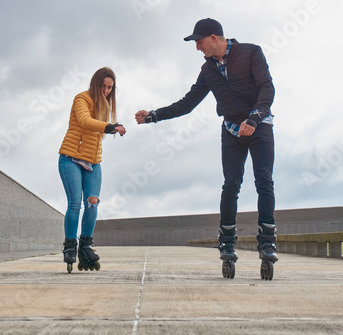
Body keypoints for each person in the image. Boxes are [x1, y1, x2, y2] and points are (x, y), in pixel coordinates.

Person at [135, 18, 278, 265]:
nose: (197, 48)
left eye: (199, 42)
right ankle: (227, 242)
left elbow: (267, 89)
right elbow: (188, 103)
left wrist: (254, 119)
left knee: (264, 181)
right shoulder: (208, 71)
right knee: (231, 185)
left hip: (259, 126)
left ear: (214, 38)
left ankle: (266, 242)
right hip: (232, 129)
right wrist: (154, 116)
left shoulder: (251, 53)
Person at [59, 67, 126, 272]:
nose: (106, 91)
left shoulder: (104, 106)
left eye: (110, 88)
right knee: (74, 205)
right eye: (104, 86)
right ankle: (70, 246)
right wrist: (110, 126)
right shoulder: (82, 99)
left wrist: (110, 125)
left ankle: (86, 246)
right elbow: (85, 121)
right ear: (96, 84)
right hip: (70, 158)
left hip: (93, 163)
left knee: (92, 204)